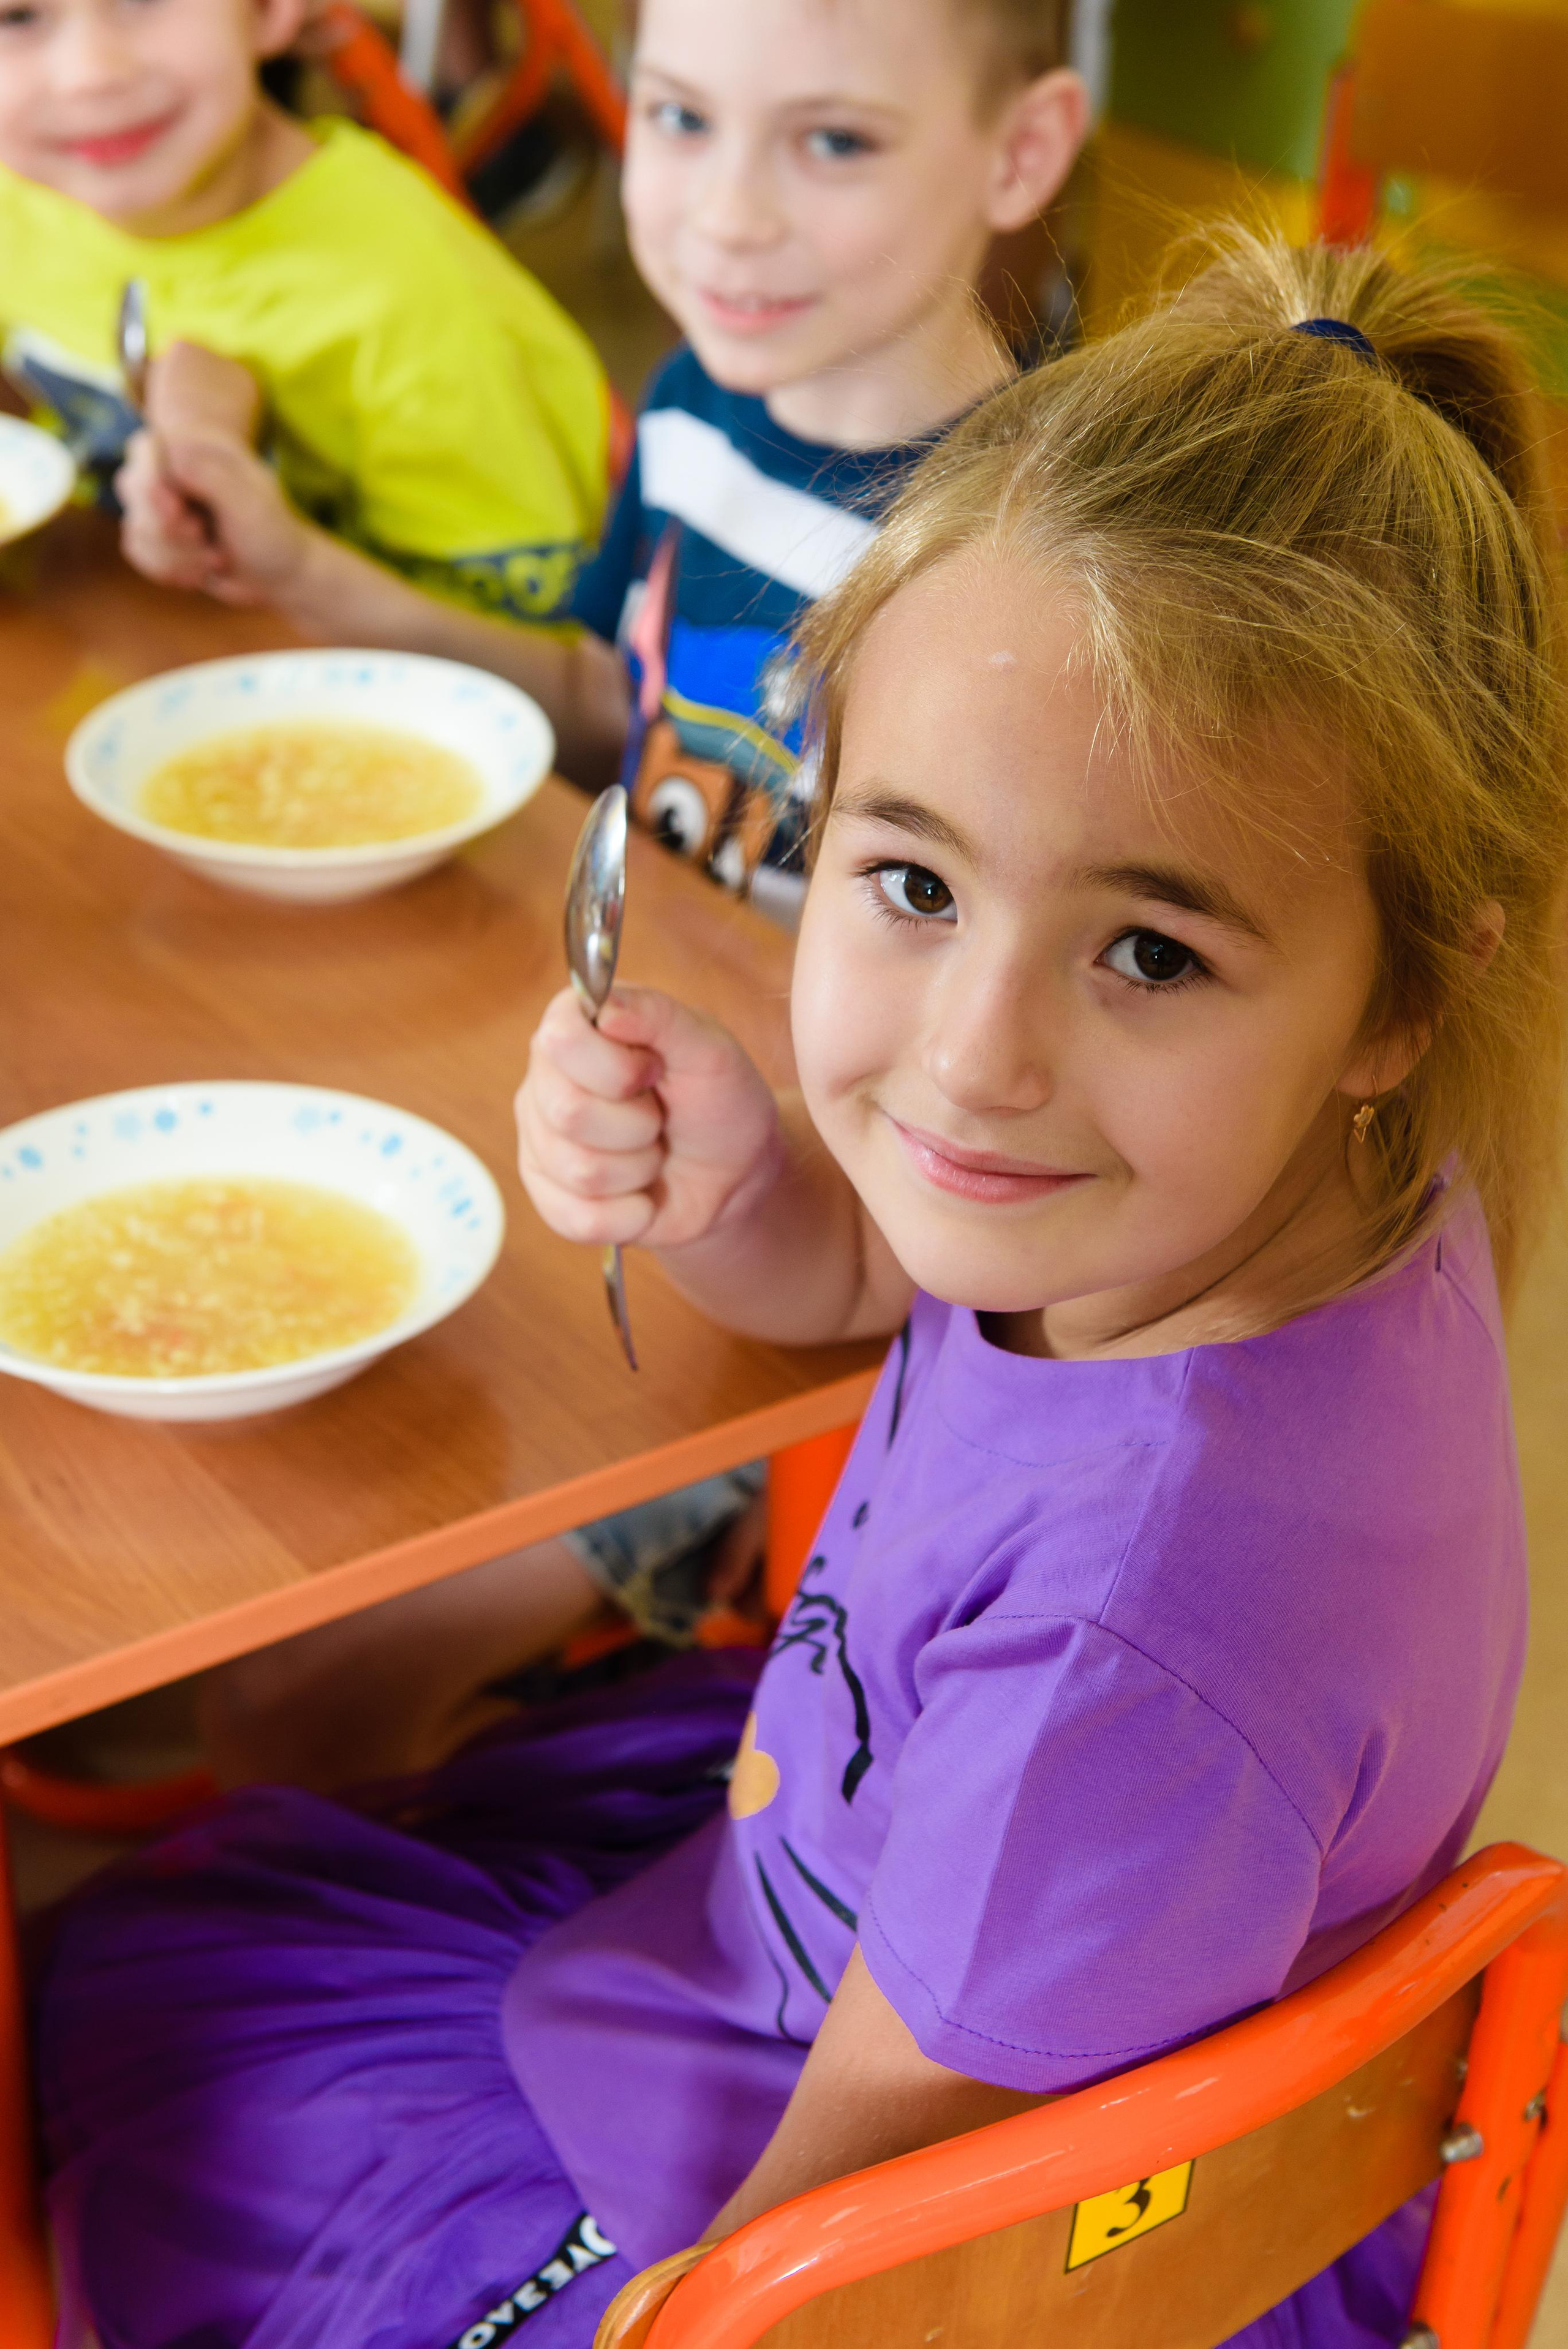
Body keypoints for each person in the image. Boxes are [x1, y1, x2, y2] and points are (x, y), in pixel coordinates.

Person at [36, 232, 1566, 2348]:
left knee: (151, 2060)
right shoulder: (1263, 1172)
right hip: (885, 1906)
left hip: (940, 2233)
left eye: (1149, 952)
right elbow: (888, 1275)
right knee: (156, 1951)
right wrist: (751, 1187)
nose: (969, 1060)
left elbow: (859, 2279)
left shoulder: (1125, 1661)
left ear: (1402, 991)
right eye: (913, 882)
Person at [194, 0, 1093, 1792]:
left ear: (1017, 153)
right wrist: (302, 570)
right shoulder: (695, 406)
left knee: (300, 1683)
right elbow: (600, 700)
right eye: (678, 119)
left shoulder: (1022, 560)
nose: (725, 213)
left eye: (829, 142)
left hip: (846, 1276)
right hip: (634, 1118)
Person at [0, 0, 609, 722]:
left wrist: (297, 566)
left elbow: (564, 696)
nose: (90, 73)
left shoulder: (415, 299)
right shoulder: (22, 197)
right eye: (18, 18)